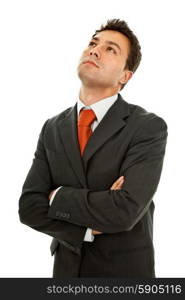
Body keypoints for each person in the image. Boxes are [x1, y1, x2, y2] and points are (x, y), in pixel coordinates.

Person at [18, 19, 168, 278]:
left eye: (111, 49)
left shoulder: (147, 127)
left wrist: (57, 196)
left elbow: (125, 210)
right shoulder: (52, 128)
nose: (94, 50)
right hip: (66, 272)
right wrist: (84, 229)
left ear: (125, 76)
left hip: (124, 274)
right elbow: (29, 207)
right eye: (93, 43)